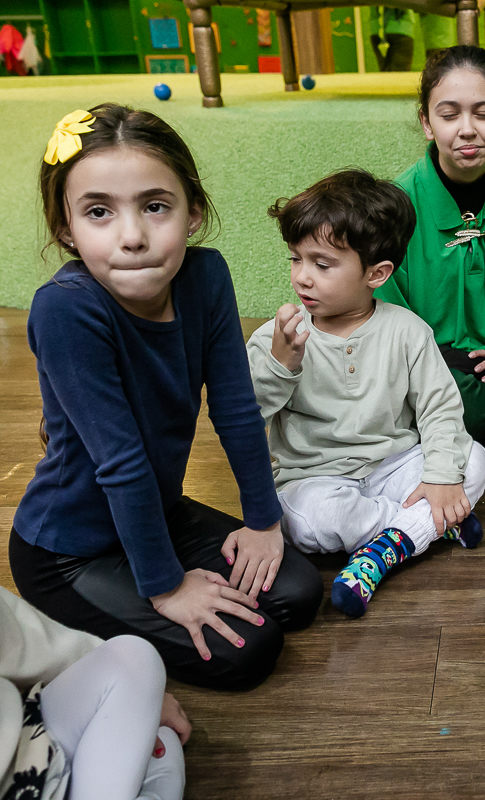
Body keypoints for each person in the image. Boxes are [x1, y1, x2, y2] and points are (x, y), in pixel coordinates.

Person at [9, 105, 322, 691]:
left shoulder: (206, 277)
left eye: (155, 206)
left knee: (300, 592)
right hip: (68, 553)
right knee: (249, 653)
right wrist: (167, 587)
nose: (132, 236)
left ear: (192, 213)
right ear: (65, 230)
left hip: (158, 511)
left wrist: (262, 519)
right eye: (98, 212)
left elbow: (233, 407)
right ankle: (71, 621)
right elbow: (121, 462)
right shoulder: (66, 308)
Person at [247, 169, 485, 619]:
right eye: (296, 259)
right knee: (311, 522)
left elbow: (439, 409)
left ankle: (383, 549)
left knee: (474, 461)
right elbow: (247, 415)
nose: (303, 277)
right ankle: (429, 525)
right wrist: (282, 364)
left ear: (376, 274)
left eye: (322, 265)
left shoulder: (407, 331)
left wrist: (439, 476)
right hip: (314, 478)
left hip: (393, 464)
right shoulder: (277, 336)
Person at [374, 45, 485, 483]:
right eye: (449, 114)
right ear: (426, 121)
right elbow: (385, 316)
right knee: (446, 400)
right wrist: (464, 363)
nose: (467, 130)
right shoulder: (395, 206)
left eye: (483, 113)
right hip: (429, 358)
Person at [1, 586, 187, 800]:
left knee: (134, 658)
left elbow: (18, 634)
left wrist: (144, 699)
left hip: (26, 741)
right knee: (163, 759)